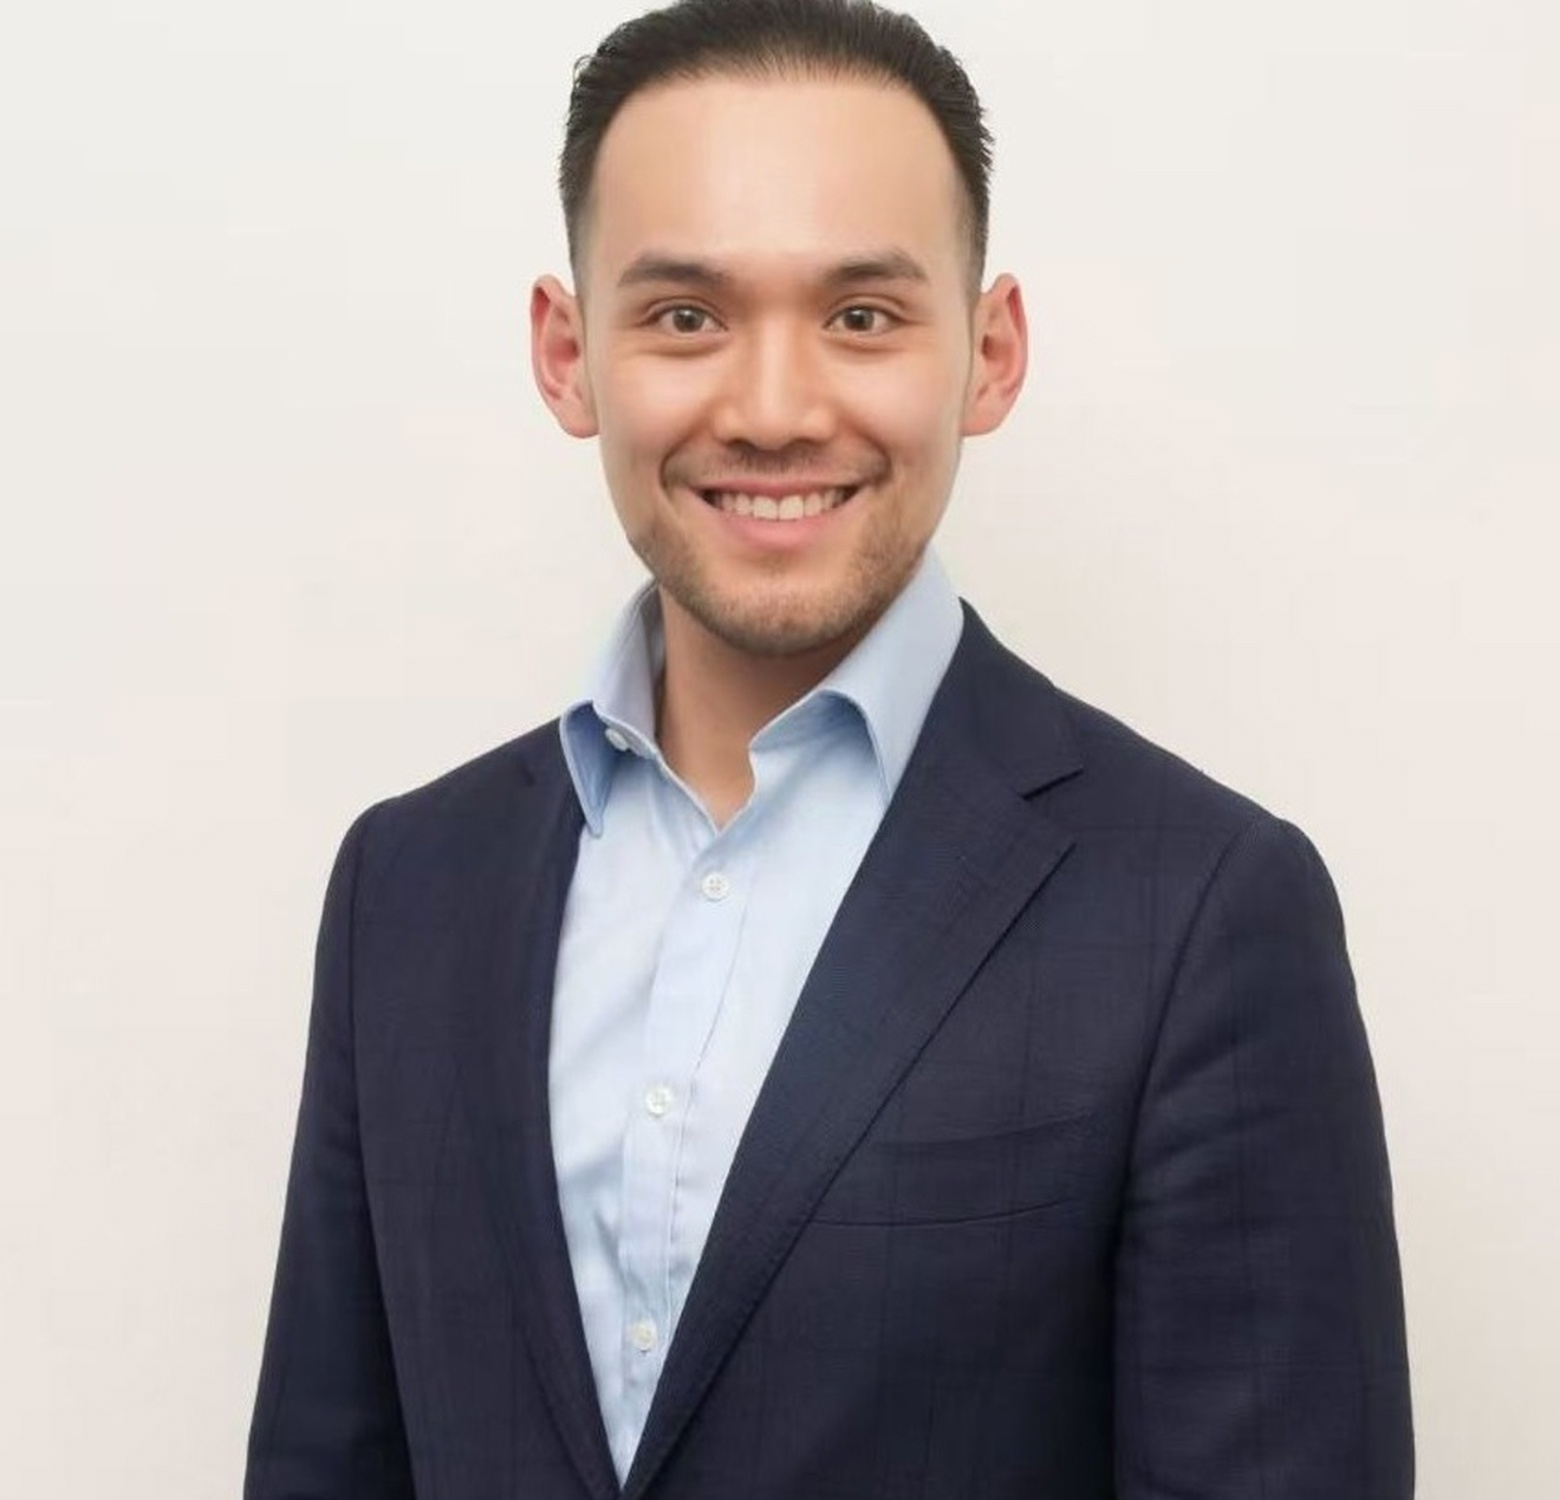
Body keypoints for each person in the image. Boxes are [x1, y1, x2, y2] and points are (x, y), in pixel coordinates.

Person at [245, 1, 1413, 1496]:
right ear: (567, 353)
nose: (776, 410)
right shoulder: (405, 888)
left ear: (988, 354)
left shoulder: (1201, 911)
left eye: (861, 316)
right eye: (687, 316)